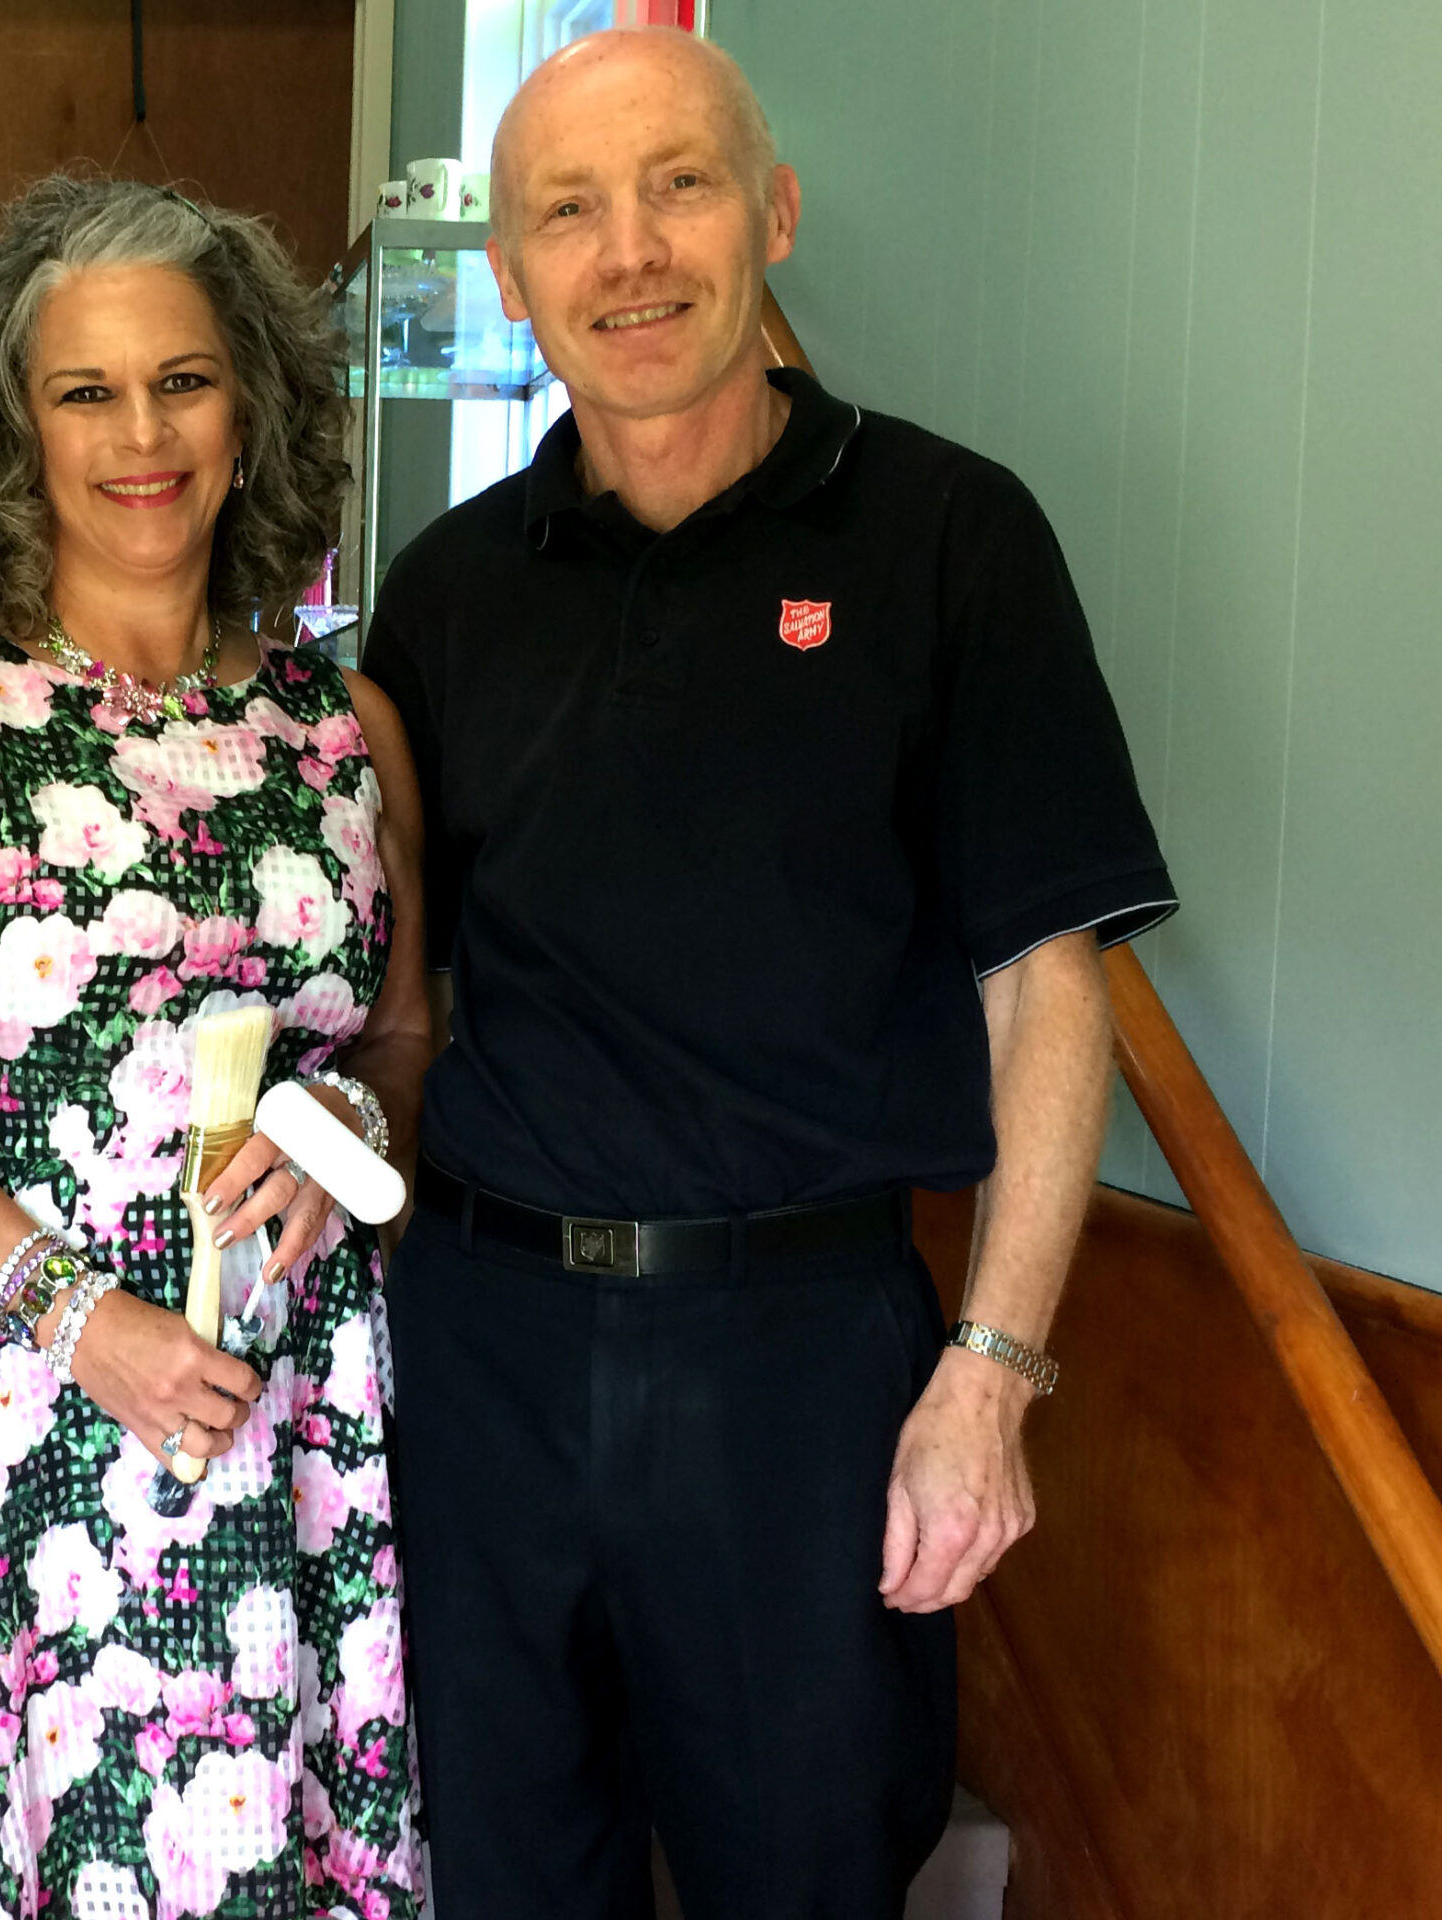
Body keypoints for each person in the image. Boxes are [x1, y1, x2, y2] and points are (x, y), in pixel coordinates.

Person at [362, 29, 1177, 1920]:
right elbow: (404, 992)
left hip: (801, 1359)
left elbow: (1052, 983)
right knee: (496, 1872)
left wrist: (993, 1373)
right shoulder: (453, 587)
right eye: (567, 211)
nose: (628, 251)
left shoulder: (951, 537)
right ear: (512, 277)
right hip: (487, 1343)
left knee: (805, 1876)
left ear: (775, 213)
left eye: (680, 186)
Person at [0, 176, 430, 1919]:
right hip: (9, 1394)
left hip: (285, 1406)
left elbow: (406, 1034)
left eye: (184, 380)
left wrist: (351, 1129)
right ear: (8, 427)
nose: (144, 434)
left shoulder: (349, 725)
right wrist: (77, 1321)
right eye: (86, 390)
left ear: (254, 403)